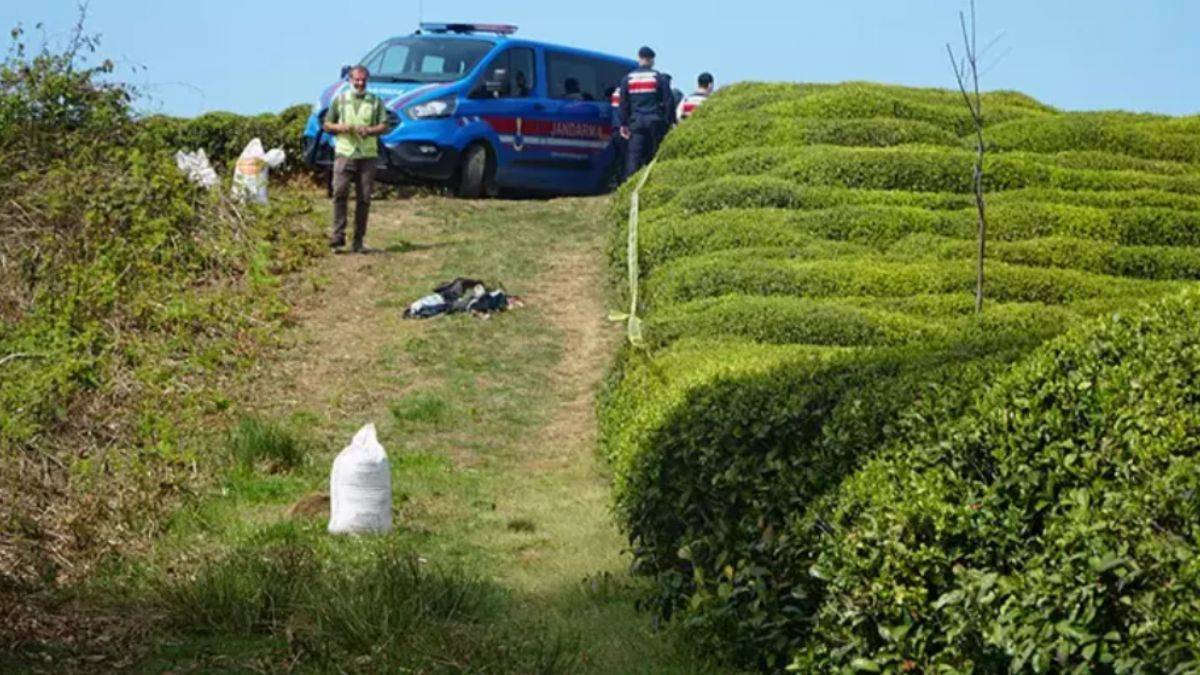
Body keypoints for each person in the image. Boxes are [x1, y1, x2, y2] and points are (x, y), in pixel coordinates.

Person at [323, 65, 392, 252]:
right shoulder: (340, 100)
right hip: (345, 153)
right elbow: (327, 124)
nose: (360, 83)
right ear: (350, 80)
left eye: (363, 80)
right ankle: (338, 236)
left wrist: (369, 131)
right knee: (339, 193)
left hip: (368, 155)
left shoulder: (375, 101)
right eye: (357, 80)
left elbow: (385, 126)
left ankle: (358, 241)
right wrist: (341, 128)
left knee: (364, 198)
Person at [618, 46, 675, 179]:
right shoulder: (658, 77)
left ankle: (630, 185)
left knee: (633, 157)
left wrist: (623, 124)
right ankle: (652, 184)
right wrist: (669, 121)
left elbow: (624, 104)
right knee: (654, 156)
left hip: (636, 122)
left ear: (639, 58)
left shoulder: (628, 79)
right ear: (651, 60)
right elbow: (668, 101)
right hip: (655, 121)